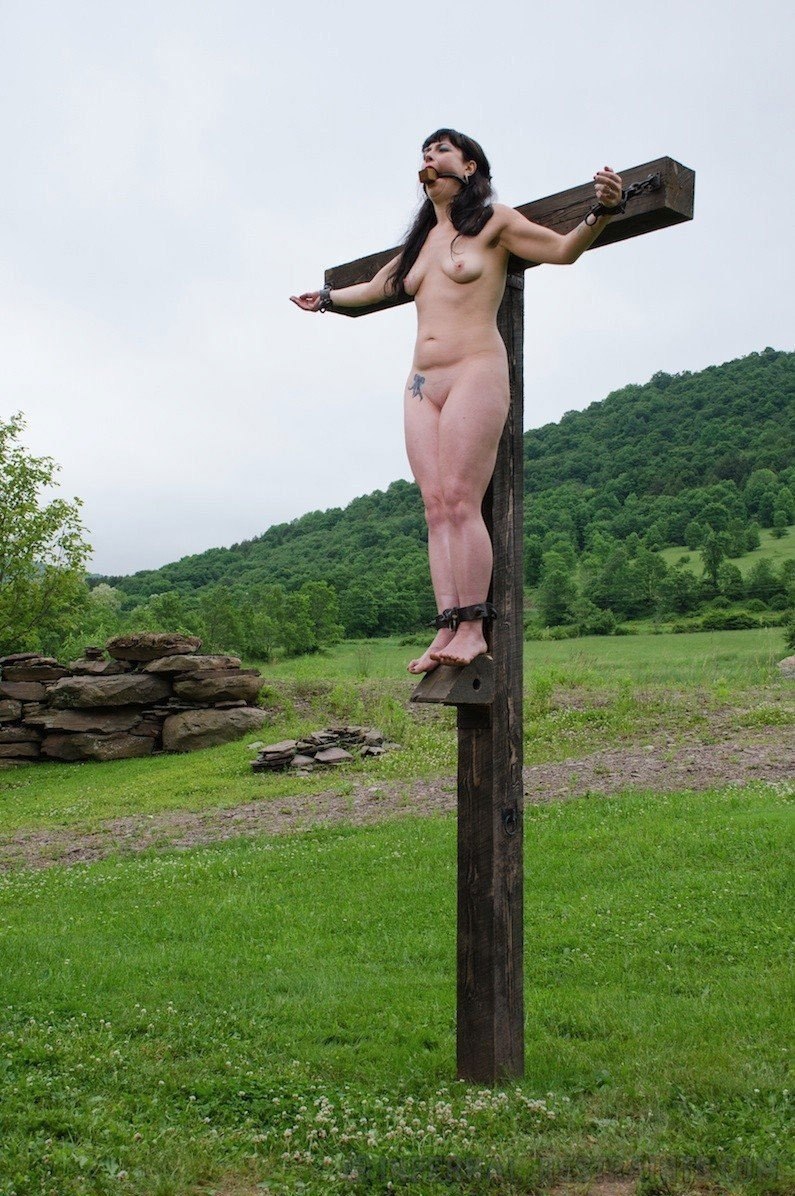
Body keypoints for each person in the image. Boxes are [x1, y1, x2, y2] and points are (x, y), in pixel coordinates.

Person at [291, 129, 623, 673]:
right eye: (424, 153)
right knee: (436, 507)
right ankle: (446, 629)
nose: (430, 158)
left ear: (469, 167)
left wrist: (602, 211)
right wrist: (325, 299)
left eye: (441, 150)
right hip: (423, 383)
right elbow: (376, 288)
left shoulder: (495, 221)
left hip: (474, 370)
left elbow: (561, 251)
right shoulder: (419, 245)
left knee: (463, 502)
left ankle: (474, 628)